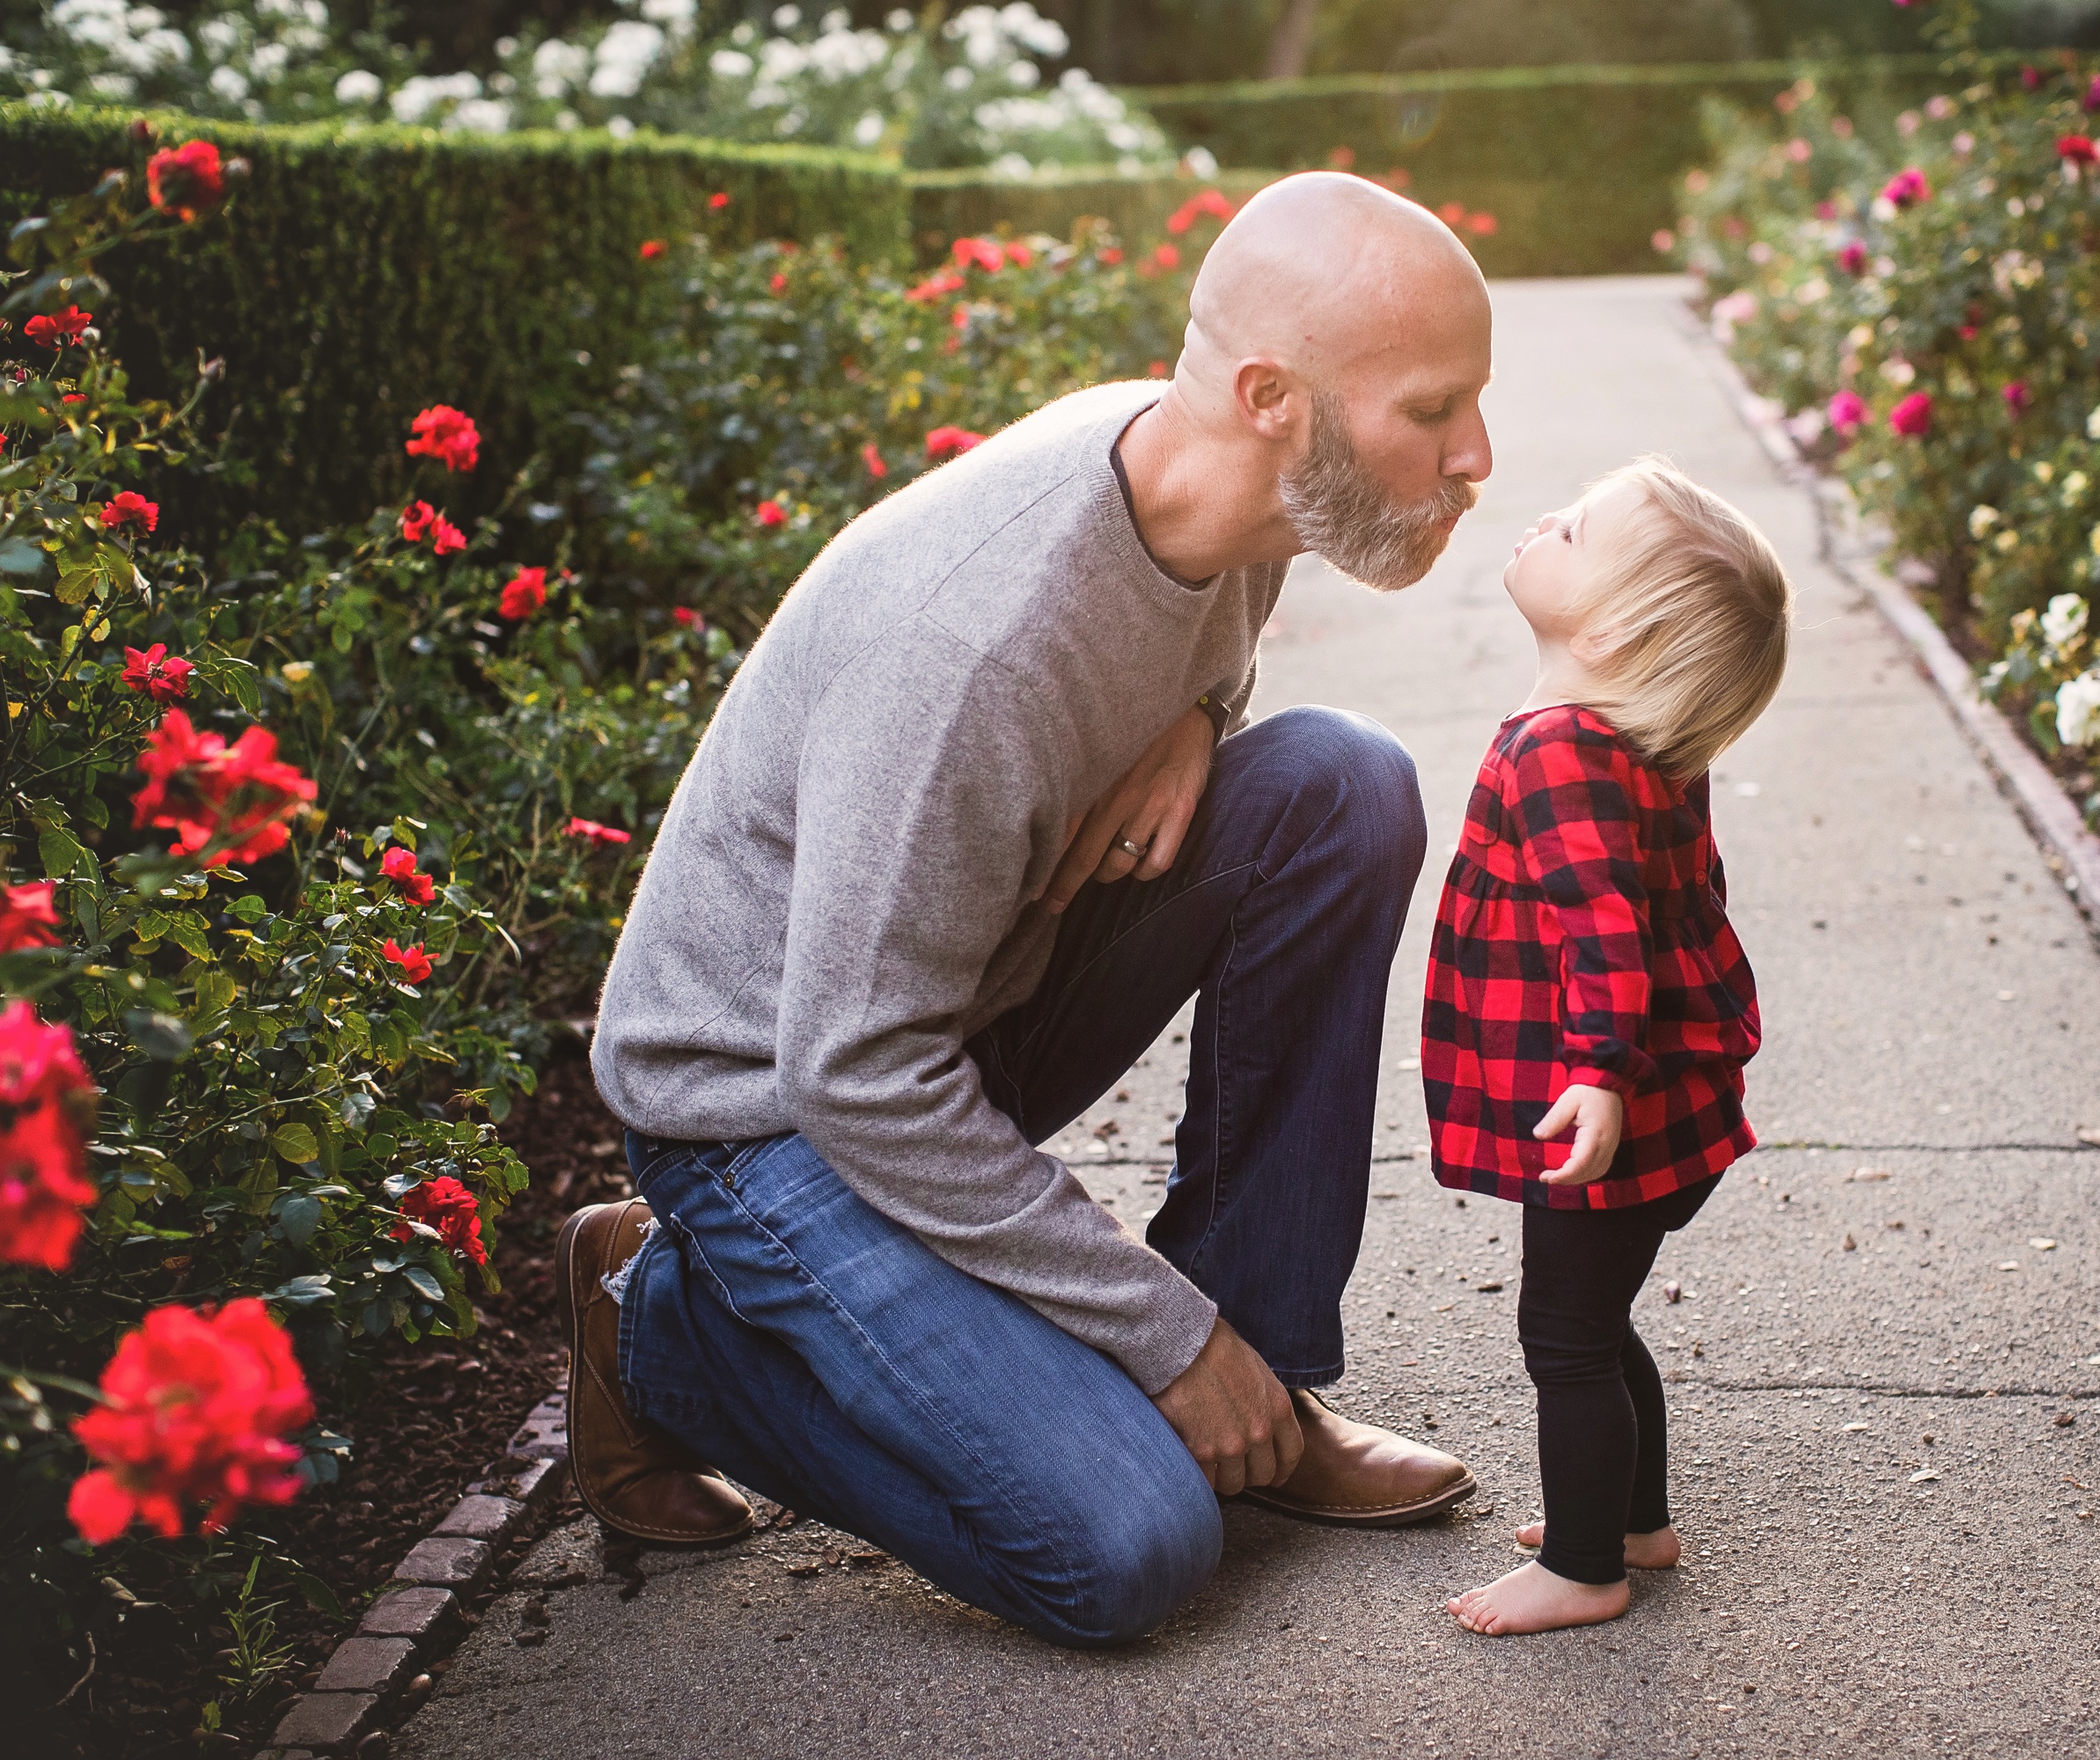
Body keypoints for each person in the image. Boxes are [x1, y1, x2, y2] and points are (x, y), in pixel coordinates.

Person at [557, 170, 1496, 1647]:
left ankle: (1262, 1370)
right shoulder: (971, 649)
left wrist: (1200, 714)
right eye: (1435, 412)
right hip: (770, 1113)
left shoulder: (1219, 495)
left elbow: (1178, 644)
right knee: (1121, 1549)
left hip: (964, 1005)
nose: (1478, 455)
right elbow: (855, 1072)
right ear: (1274, 400)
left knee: (1337, 782)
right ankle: (654, 1326)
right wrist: (1154, 1334)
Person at [1424, 458, 1792, 1636]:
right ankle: (1635, 1520)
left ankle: (1588, 1567)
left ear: (1620, 627)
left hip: (1613, 1110)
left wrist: (1594, 1073)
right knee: (1600, 1318)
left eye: (1574, 530)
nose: (1545, 519)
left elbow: (1605, 931)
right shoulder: (1630, 744)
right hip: (1665, 1103)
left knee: (1566, 1337)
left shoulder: (1561, 751)